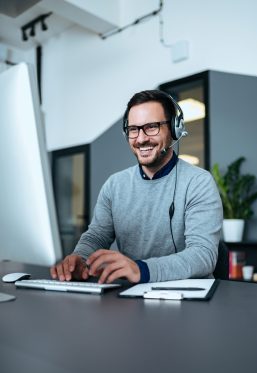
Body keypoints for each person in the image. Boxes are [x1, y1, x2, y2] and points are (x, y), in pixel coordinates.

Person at [50, 90, 223, 283]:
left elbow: (203, 255)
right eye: (133, 129)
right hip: (132, 296)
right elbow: (96, 237)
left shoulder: (198, 182)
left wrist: (142, 270)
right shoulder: (114, 185)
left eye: (151, 127)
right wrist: (78, 259)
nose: (140, 139)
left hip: (190, 298)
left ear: (174, 129)